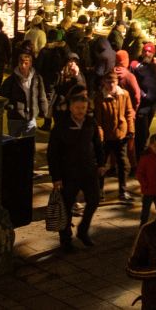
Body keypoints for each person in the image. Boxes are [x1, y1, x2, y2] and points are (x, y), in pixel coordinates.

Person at [48, 90, 106, 251]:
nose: (81, 111)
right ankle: (65, 239)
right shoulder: (61, 126)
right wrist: (56, 177)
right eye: (78, 108)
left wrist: (101, 164)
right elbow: (53, 153)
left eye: (83, 108)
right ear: (71, 108)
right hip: (69, 173)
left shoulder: (90, 122)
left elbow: (98, 144)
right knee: (66, 206)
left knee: (94, 199)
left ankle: (83, 230)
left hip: (88, 170)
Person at [95, 71, 137, 201]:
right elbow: (98, 120)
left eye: (113, 82)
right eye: (108, 82)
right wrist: (100, 136)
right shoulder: (100, 97)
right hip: (106, 137)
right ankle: (99, 191)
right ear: (104, 83)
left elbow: (129, 112)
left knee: (123, 164)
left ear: (117, 82)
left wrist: (130, 130)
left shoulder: (124, 94)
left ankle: (123, 191)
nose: (111, 85)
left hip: (121, 135)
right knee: (101, 164)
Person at [1, 49, 48, 137]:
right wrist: (10, 106)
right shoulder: (11, 80)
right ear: (18, 63)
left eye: (26, 63)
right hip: (15, 117)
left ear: (30, 64)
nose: (23, 66)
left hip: (30, 116)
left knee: (29, 141)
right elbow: (3, 96)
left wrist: (44, 111)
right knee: (14, 141)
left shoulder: (37, 78)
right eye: (21, 63)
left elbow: (42, 96)